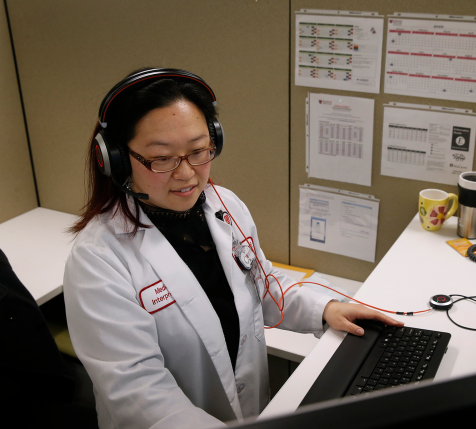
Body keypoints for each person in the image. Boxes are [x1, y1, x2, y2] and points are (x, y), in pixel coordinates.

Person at [64, 68, 402, 428]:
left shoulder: (224, 206)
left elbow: (261, 283)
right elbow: (139, 394)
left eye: (198, 151)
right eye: (162, 159)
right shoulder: (98, 260)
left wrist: (326, 308)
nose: (187, 174)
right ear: (114, 159)